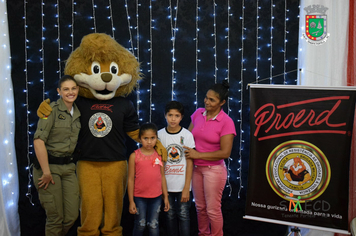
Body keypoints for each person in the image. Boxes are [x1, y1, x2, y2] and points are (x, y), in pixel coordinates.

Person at [184, 80, 236, 236]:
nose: (207, 101)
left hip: (214, 170)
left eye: (212, 100)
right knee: (200, 207)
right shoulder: (198, 113)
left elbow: (225, 153)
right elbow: (187, 138)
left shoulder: (226, 122)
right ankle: (203, 233)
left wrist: (198, 155)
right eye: (206, 98)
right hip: (196, 169)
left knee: (213, 209)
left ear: (222, 102)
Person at [33, 75, 80, 236]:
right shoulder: (50, 110)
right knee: (55, 217)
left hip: (68, 168)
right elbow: (38, 141)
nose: (70, 92)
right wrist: (46, 172)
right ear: (59, 91)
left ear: (78, 89)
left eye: (73, 88)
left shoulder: (78, 113)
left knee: (72, 215)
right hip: (49, 168)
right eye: (66, 89)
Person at [158, 101, 195, 236]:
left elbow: (190, 162)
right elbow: (158, 162)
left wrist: (187, 187)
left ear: (182, 117)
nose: (173, 119)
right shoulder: (159, 135)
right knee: (169, 215)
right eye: (170, 115)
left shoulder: (187, 135)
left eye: (177, 116)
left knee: (184, 215)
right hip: (166, 185)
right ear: (165, 115)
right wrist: (162, 188)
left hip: (182, 186)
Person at [128, 123, 170, 236]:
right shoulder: (134, 156)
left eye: (152, 138)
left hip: (156, 197)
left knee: (153, 225)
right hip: (139, 197)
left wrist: (165, 197)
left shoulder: (159, 155)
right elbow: (131, 179)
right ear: (140, 139)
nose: (149, 141)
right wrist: (131, 201)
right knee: (140, 224)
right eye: (145, 138)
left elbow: (162, 176)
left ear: (157, 138)